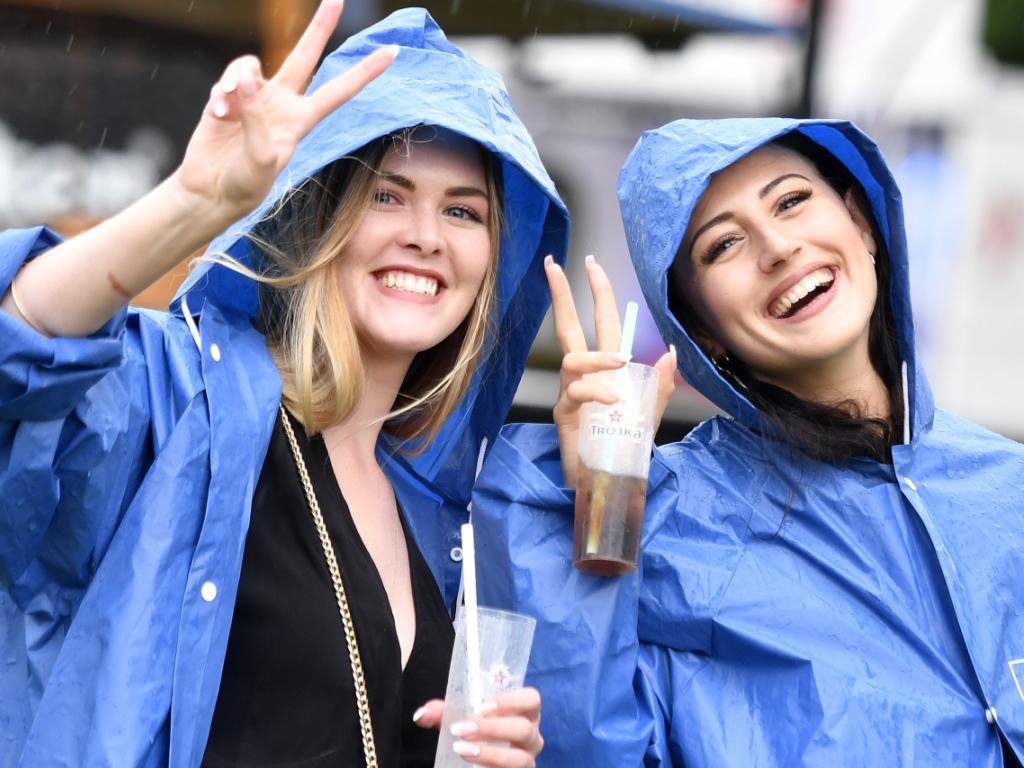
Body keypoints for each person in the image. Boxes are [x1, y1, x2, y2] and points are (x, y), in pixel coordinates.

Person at [0, 5, 568, 766]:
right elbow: (20, 348)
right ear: (319, 214)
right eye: (386, 195)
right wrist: (193, 204)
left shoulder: (435, 513)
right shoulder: (189, 401)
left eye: (462, 211)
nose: (426, 236)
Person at [471, 117, 1024, 766]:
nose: (779, 247)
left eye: (791, 201)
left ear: (861, 223)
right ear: (697, 329)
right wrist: (603, 500)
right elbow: (579, 743)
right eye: (724, 244)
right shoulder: (670, 526)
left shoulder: (1007, 485)